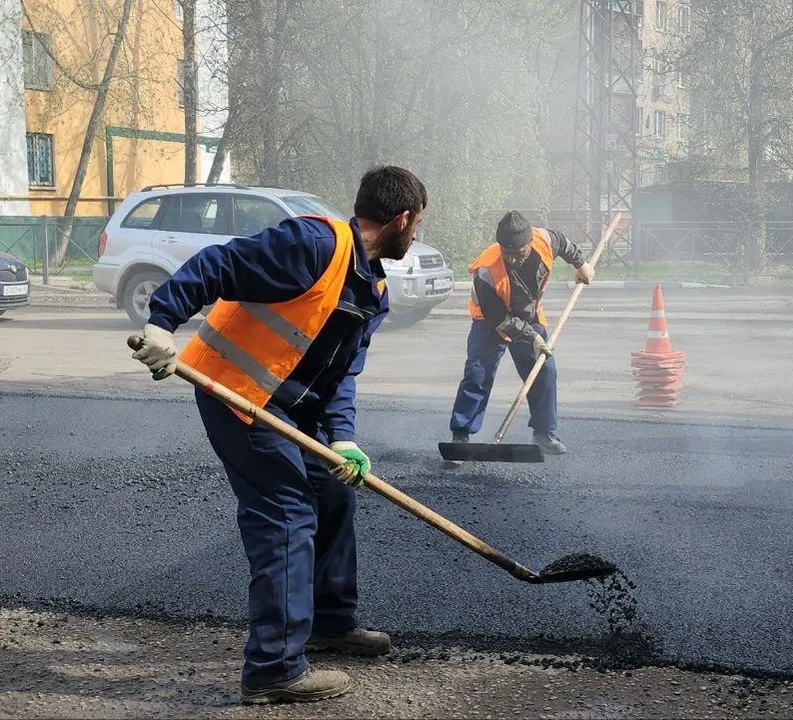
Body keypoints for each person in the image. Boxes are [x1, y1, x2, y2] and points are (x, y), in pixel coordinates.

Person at [131, 166, 427, 704]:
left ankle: (329, 622)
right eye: (419, 223)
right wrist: (161, 321)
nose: (416, 232)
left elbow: (341, 374)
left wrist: (342, 439)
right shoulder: (313, 244)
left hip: (292, 408)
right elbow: (219, 263)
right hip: (236, 393)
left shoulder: (372, 288)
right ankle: (274, 668)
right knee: (287, 513)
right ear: (403, 219)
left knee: (334, 489)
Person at [444, 211, 595, 465]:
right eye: (508, 253)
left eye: (519, 253)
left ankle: (543, 433)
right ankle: (460, 436)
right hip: (489, 322)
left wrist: (581, 265)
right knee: (478, 373)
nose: (514, 259)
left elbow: (564, 244)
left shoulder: (545, 240)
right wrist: (532, 336)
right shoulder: (486, 270)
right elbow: (499, 319)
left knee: (544, 369)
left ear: (529, 243)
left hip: (528, 314)